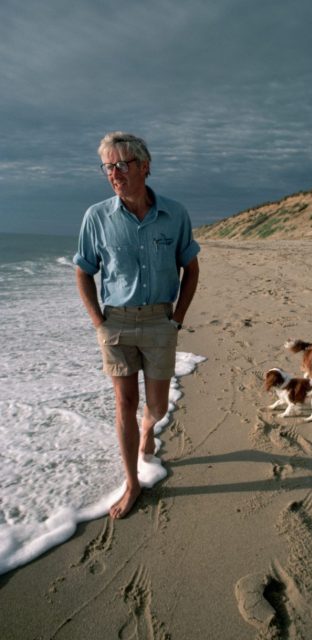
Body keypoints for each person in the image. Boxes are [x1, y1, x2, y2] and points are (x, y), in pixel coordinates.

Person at [73, 132, 200, 519]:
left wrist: (176, 319)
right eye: (108, 166)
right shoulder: (96, 216)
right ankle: (132, 483)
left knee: (157, 407)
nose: (114, 173)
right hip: (117, 323)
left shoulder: (175, 214)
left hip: (160, 321)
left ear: (145, 167)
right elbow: (83, 271)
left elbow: (191, 269)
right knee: (124, 403)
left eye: (122, 165)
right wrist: (98, 322)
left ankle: (149, 429)